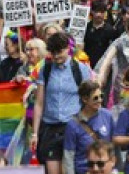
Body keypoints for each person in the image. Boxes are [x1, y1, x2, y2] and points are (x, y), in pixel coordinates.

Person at [31, 32, 93, 174]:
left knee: (70, 170)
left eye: (59, 52)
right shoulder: (45, 70)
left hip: (71, 127)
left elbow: (88, 100)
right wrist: (35, 133)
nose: (56, 56)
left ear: (67, 49)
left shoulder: (80, 70)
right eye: (53, 53)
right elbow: (39, 103)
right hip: (50, 128)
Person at [63, 81, 114, 174]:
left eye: (101, 96)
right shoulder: (72, 124)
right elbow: (68, 157)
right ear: (85, 99)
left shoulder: (107, 116)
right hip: (83, 170)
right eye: (95, 98)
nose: (99, 100)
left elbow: (113, 147)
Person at [84, 0, 120, 67]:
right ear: (92, 11)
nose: (98, 14)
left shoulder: (110, 30)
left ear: (105, 13)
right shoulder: (86, 27)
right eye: (96, 11)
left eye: (101, 12)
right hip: (87, 65)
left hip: (103, 66)